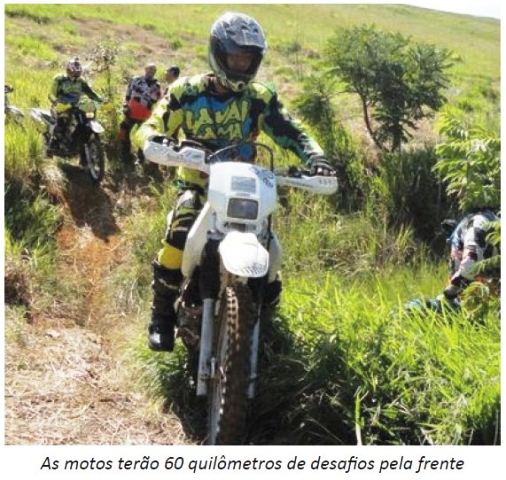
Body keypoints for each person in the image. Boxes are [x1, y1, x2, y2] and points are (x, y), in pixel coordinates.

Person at [134, 12, 336, 351]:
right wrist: (155, 142)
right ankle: (161, 315)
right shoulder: (187, 92)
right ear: (218, 53)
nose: (241, 64)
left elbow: (291, 130)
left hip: (247, 186)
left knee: (270, 252)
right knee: (180, 233)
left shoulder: (260, 98)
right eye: (235, 57)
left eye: (248, 59)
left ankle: (266, 318)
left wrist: (316, 158)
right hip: (198, 186)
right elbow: (153, 125)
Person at [442, 209, 499, 302]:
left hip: (480, 292)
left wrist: (453, 287)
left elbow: (470, 261)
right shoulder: (494, 219)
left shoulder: (473, 223)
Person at [48, 57, 102, 152]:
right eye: (74, 74)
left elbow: (90, 93)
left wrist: (100, 99)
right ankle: (52, 144)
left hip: (76, 106)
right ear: (68, 70)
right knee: (62, 122)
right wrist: (57, 102)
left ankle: (78, 146)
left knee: (84, 122)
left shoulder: (81, 81)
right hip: (61, 105)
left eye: (77, 74)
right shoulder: (59, 80)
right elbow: (52, 94)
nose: (75, 77)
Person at [119, 63, 162, 161]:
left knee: (143, 135)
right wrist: (125, 105)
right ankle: (125, 154)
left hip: (145, 114)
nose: (151, 72)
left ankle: (141, 157)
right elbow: (128, 93)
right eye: (149, 69)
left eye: (153, 70)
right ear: (145, 69)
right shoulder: (136, 80)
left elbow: (156, 99)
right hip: (131, 111)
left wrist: (147, 95)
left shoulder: (156, 85)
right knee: (123, 130)